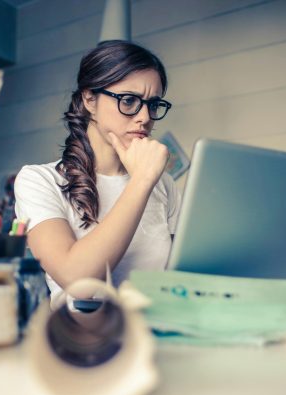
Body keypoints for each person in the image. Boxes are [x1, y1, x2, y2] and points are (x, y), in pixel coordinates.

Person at [14, 40, 181, 307]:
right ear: (89, 99)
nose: (144, 117)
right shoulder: (39, 180)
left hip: (156, 337)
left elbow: (178, 281)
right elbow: (78, 281)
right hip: (80, 340)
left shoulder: (165, 186)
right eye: (128, 101)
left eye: (153, 104)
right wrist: (141, 180)